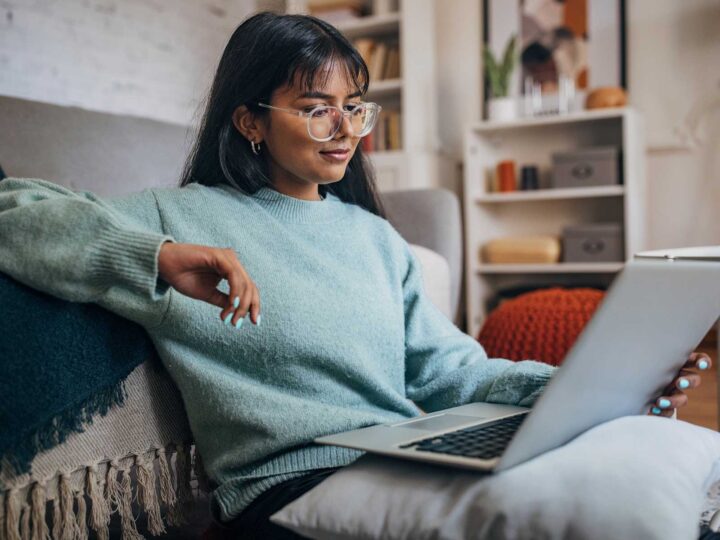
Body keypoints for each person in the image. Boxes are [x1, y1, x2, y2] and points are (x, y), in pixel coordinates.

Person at [0, 11, 710, 539]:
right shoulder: (180, 216)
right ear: (251, 121)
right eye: (316, 110)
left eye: (354, 107)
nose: (347, 130)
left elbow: (450, 370)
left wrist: (587, 389)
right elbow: (14, 209)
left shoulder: (374, 237)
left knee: (660, 460)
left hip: (406, 453)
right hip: (287, 486)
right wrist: (153, 257)